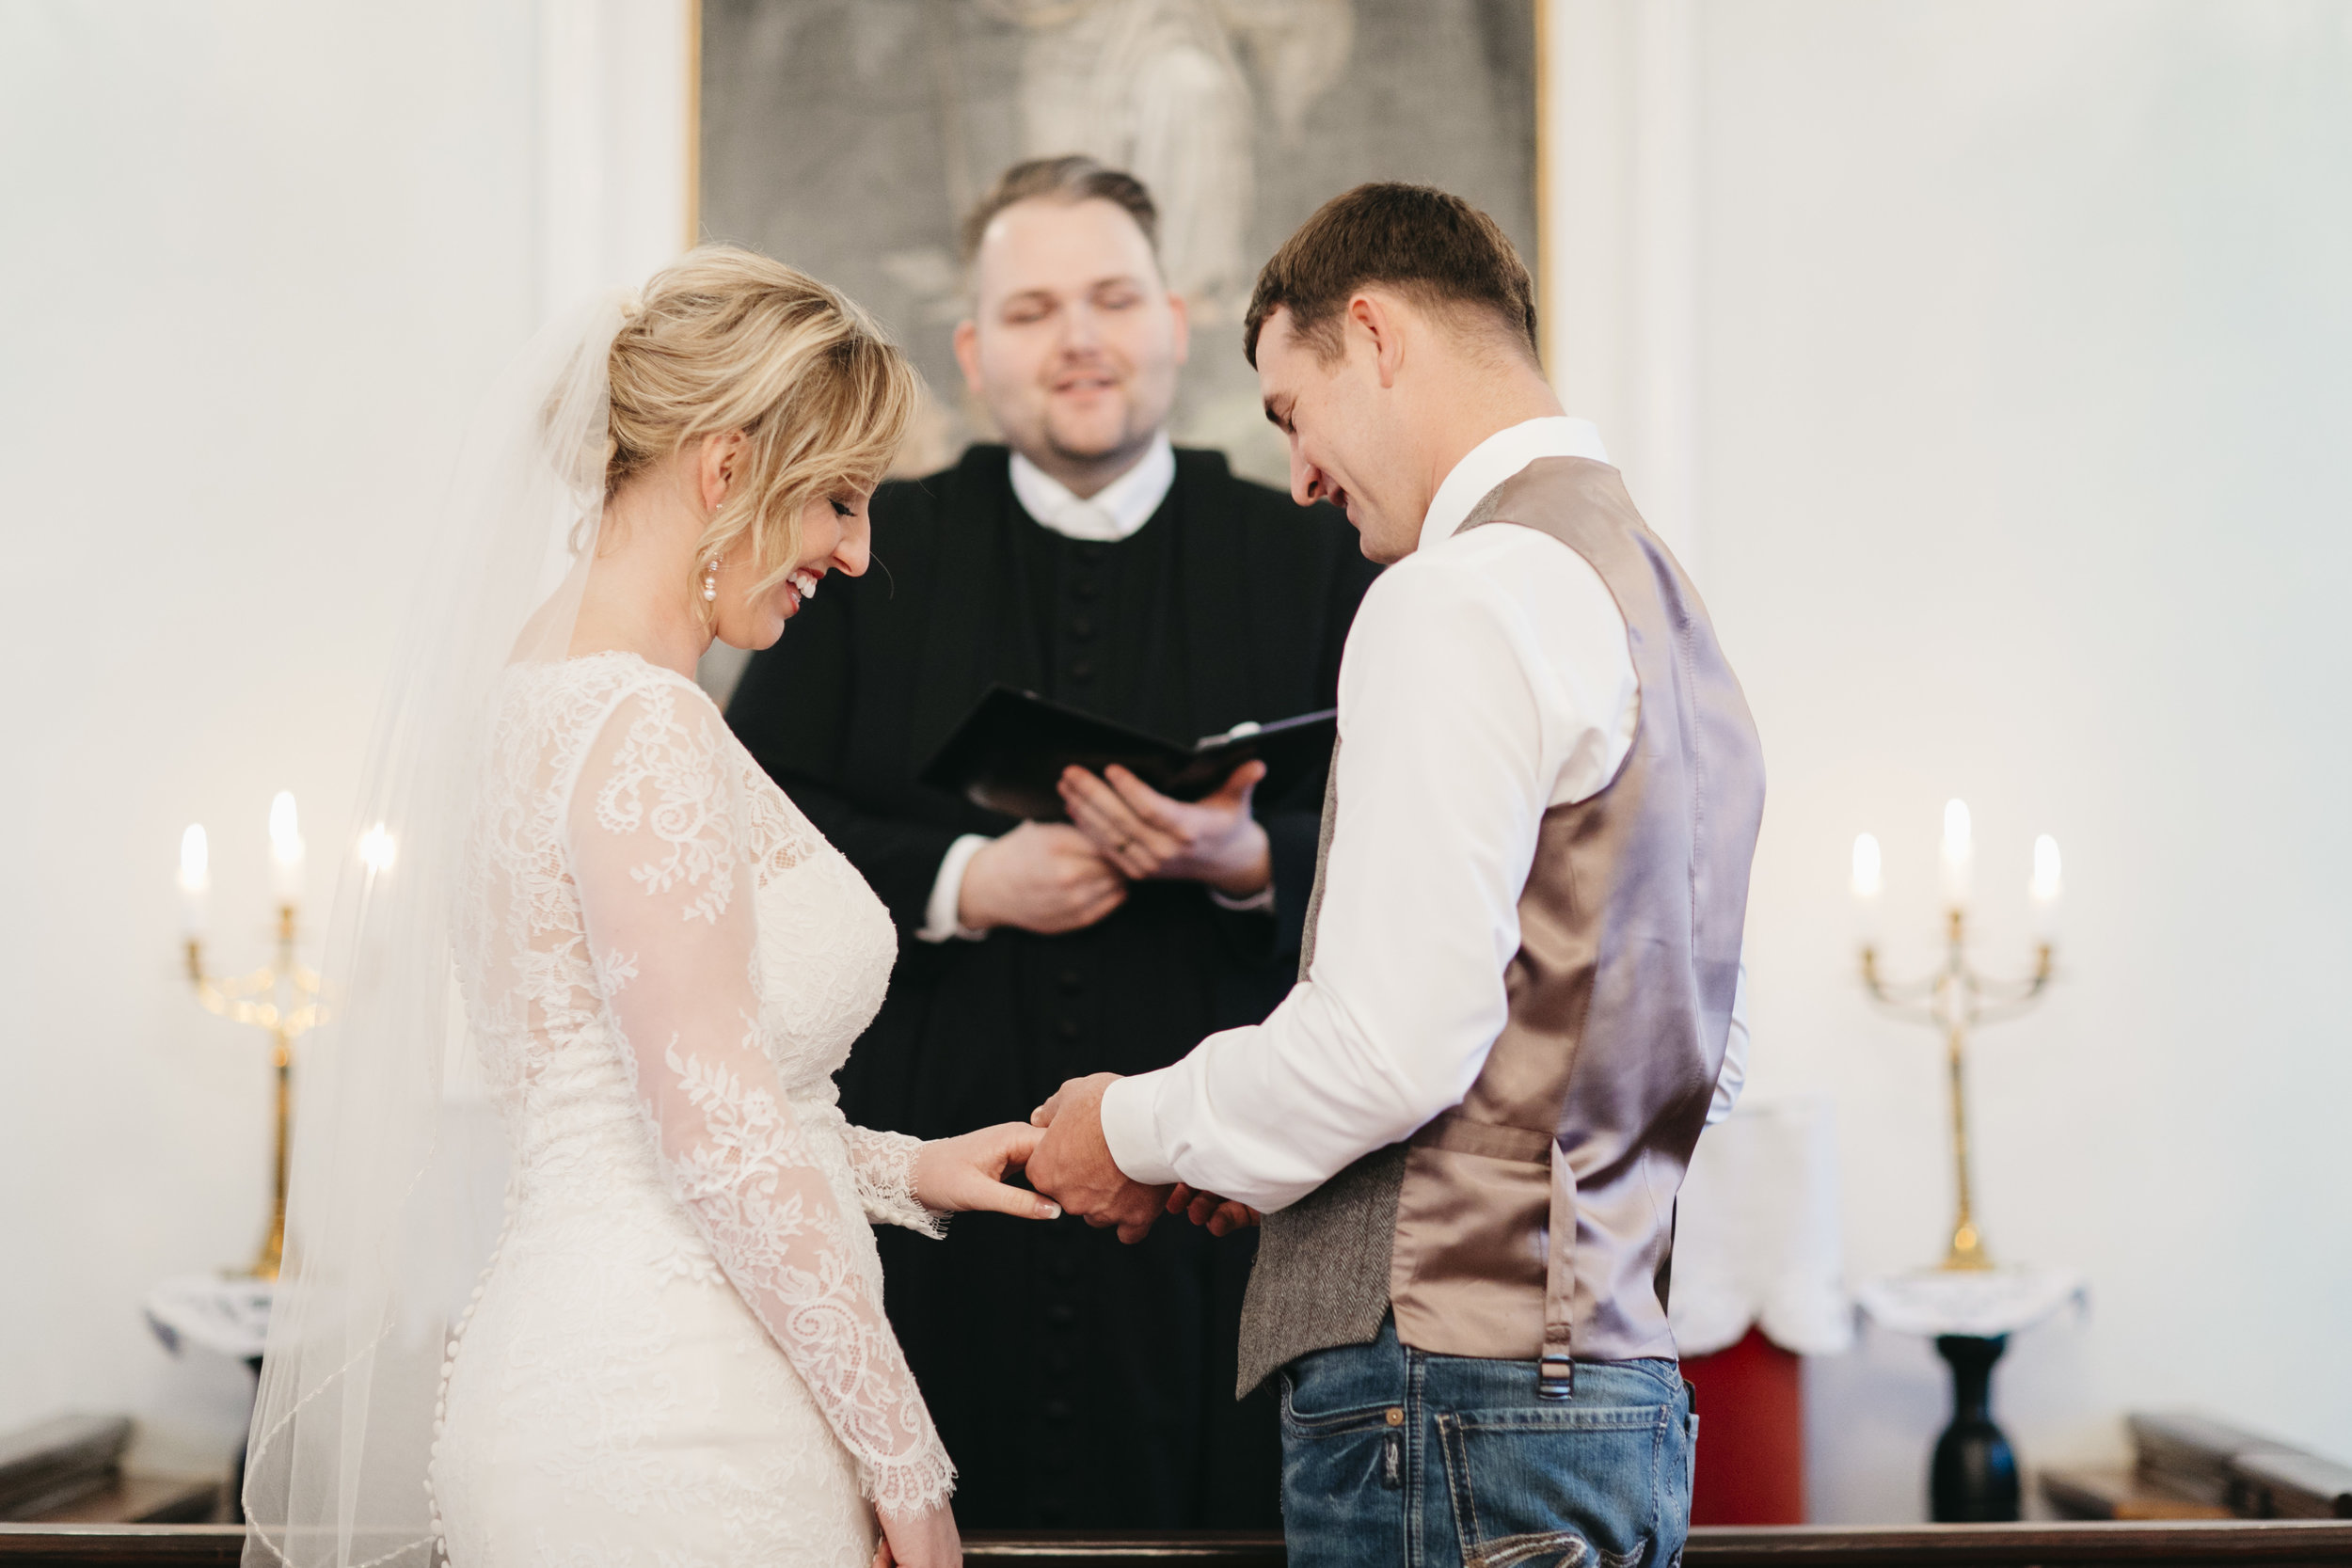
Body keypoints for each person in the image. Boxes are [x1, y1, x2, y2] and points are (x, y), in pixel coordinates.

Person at [245, 248, 1064, 1568]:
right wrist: (909, 1471)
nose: (856, 555)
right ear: (727, 468)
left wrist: (906, 1168)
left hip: (621, 1377)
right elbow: (720, 1138)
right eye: (840, 502)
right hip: (674, 1421)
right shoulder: (641, 725)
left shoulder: (552, 687)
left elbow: (641, 1101)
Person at [1026, 184, 1764, 1567]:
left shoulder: (1458, 591)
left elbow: (1388, 1048)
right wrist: (1275, 1162)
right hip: (1610, 1390)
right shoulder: (1658, 597)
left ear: (1371, 333)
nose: (1302, 476)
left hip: (1449, 1402)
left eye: (1290, 412)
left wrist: (1123, 1125)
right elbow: (1691, 1052)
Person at [724, 156, 1379, 1529]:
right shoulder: (863, 549)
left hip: (1218, 1203)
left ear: (1175, 322)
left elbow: (1413, 838)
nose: (1077, 339)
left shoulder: (1312, 550)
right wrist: (968, 879)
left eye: (1110, 299)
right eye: (1030, 311)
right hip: (933, 1177)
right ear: (972, 352)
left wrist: (1247, 859)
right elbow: (742, 811)